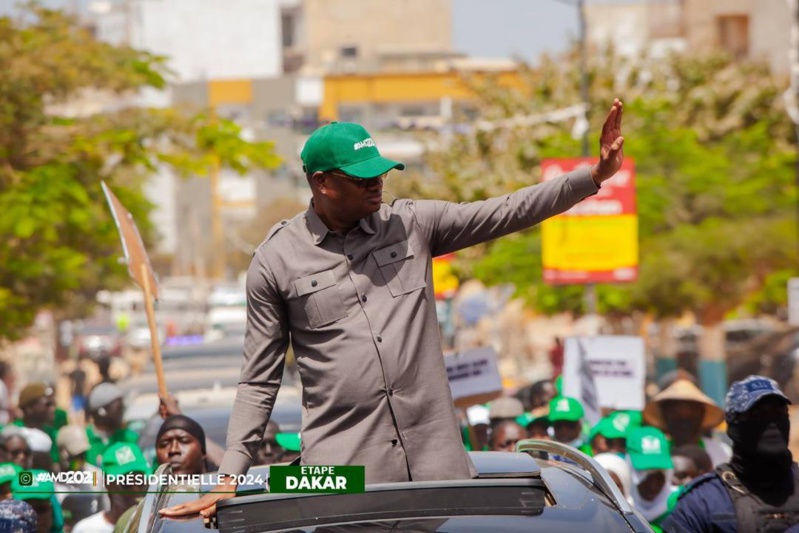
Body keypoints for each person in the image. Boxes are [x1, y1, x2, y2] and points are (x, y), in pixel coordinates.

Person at [162, 99, 626, 519]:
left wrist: (593, 177)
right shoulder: (274, 261)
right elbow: (257, 380)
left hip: (437, 475)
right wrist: (229, 479)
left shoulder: (413, 224)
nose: (378, 183)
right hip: (343, 485)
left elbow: (505, 210)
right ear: (322, 183)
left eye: (381, 172)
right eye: (362, 176)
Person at [663, 375, 799, 532]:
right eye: (757, 415)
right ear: (734, 427)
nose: (772, 423)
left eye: (779, 413)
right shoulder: (703, 502)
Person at [643, 378, 730, 467]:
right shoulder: (653, 453)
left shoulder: (721, 452)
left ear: (701, 416)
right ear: (665, 416)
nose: (684, 425)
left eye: (691, 416)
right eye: (676, 415)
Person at [72, 443, 149, 533]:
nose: (135, 489)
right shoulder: (86, 530)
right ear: (107, 483)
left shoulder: (154, 525)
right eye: (126, 482)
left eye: (140, 481)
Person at [626, 426, 676, 531]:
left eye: (659, 476)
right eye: (643, 476)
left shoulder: (677, 508)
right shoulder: (614, 507)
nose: (653, 486)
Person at [85, 383, 138, 466]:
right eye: (118, 408)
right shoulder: (84, 441)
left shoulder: (128, 438)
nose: (122, 413)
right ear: (101, 412)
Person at [54, 425, 105, 500]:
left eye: (82, 454)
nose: (80, 459)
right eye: (76, 455)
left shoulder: (95, 476)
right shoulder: (53, 481)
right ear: (63, 453)